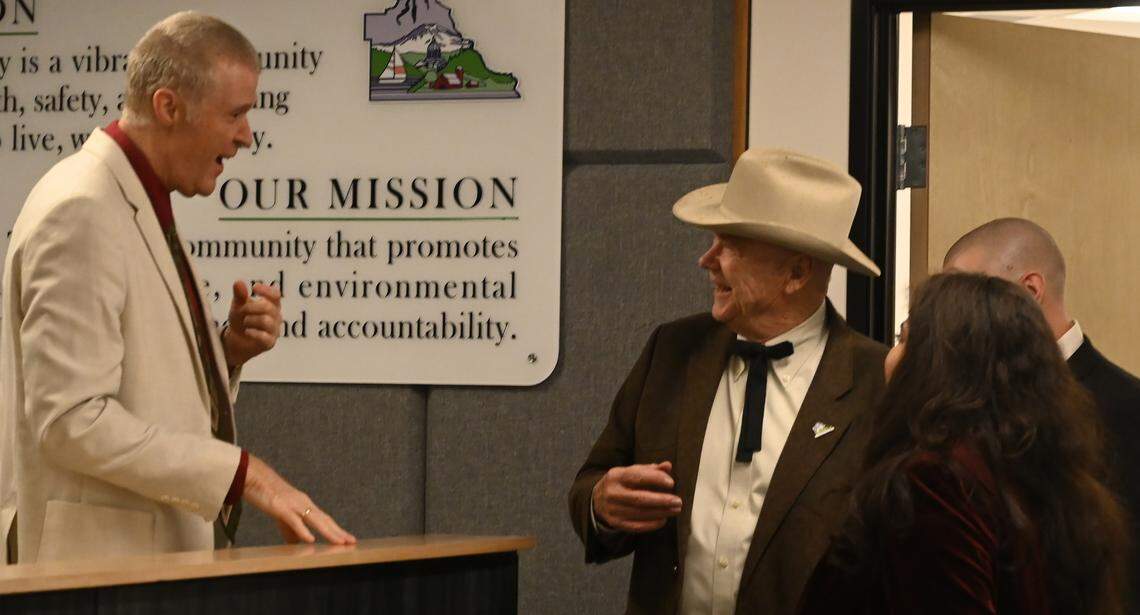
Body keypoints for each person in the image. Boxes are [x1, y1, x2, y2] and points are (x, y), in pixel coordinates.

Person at [0, 11, 354, 564]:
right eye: (235, 113)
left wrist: (226, 352)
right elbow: (70, 421)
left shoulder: (132, 197)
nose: (246, 135)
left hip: (137, 571)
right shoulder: (82, 208)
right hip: (92, 578)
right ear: (168, 107)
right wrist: (244, 474)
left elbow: (131, 387)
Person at [568, 148, 888, 614]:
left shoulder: (877, 384)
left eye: (731, 246)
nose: (707, 260)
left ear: (796, 273)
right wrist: (603, 504)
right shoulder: (672, 351)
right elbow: (591, 484)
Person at [797, 272, 1128, 615]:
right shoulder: (1052, 482)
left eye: (905, 339)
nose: (891, 355)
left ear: (940, 364)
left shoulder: (934, 482)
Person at [943, 217, 1140, 600]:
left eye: (969, 294)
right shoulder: (964, 412)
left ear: (1030, 290)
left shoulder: (1129, 411)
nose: (952, 316)